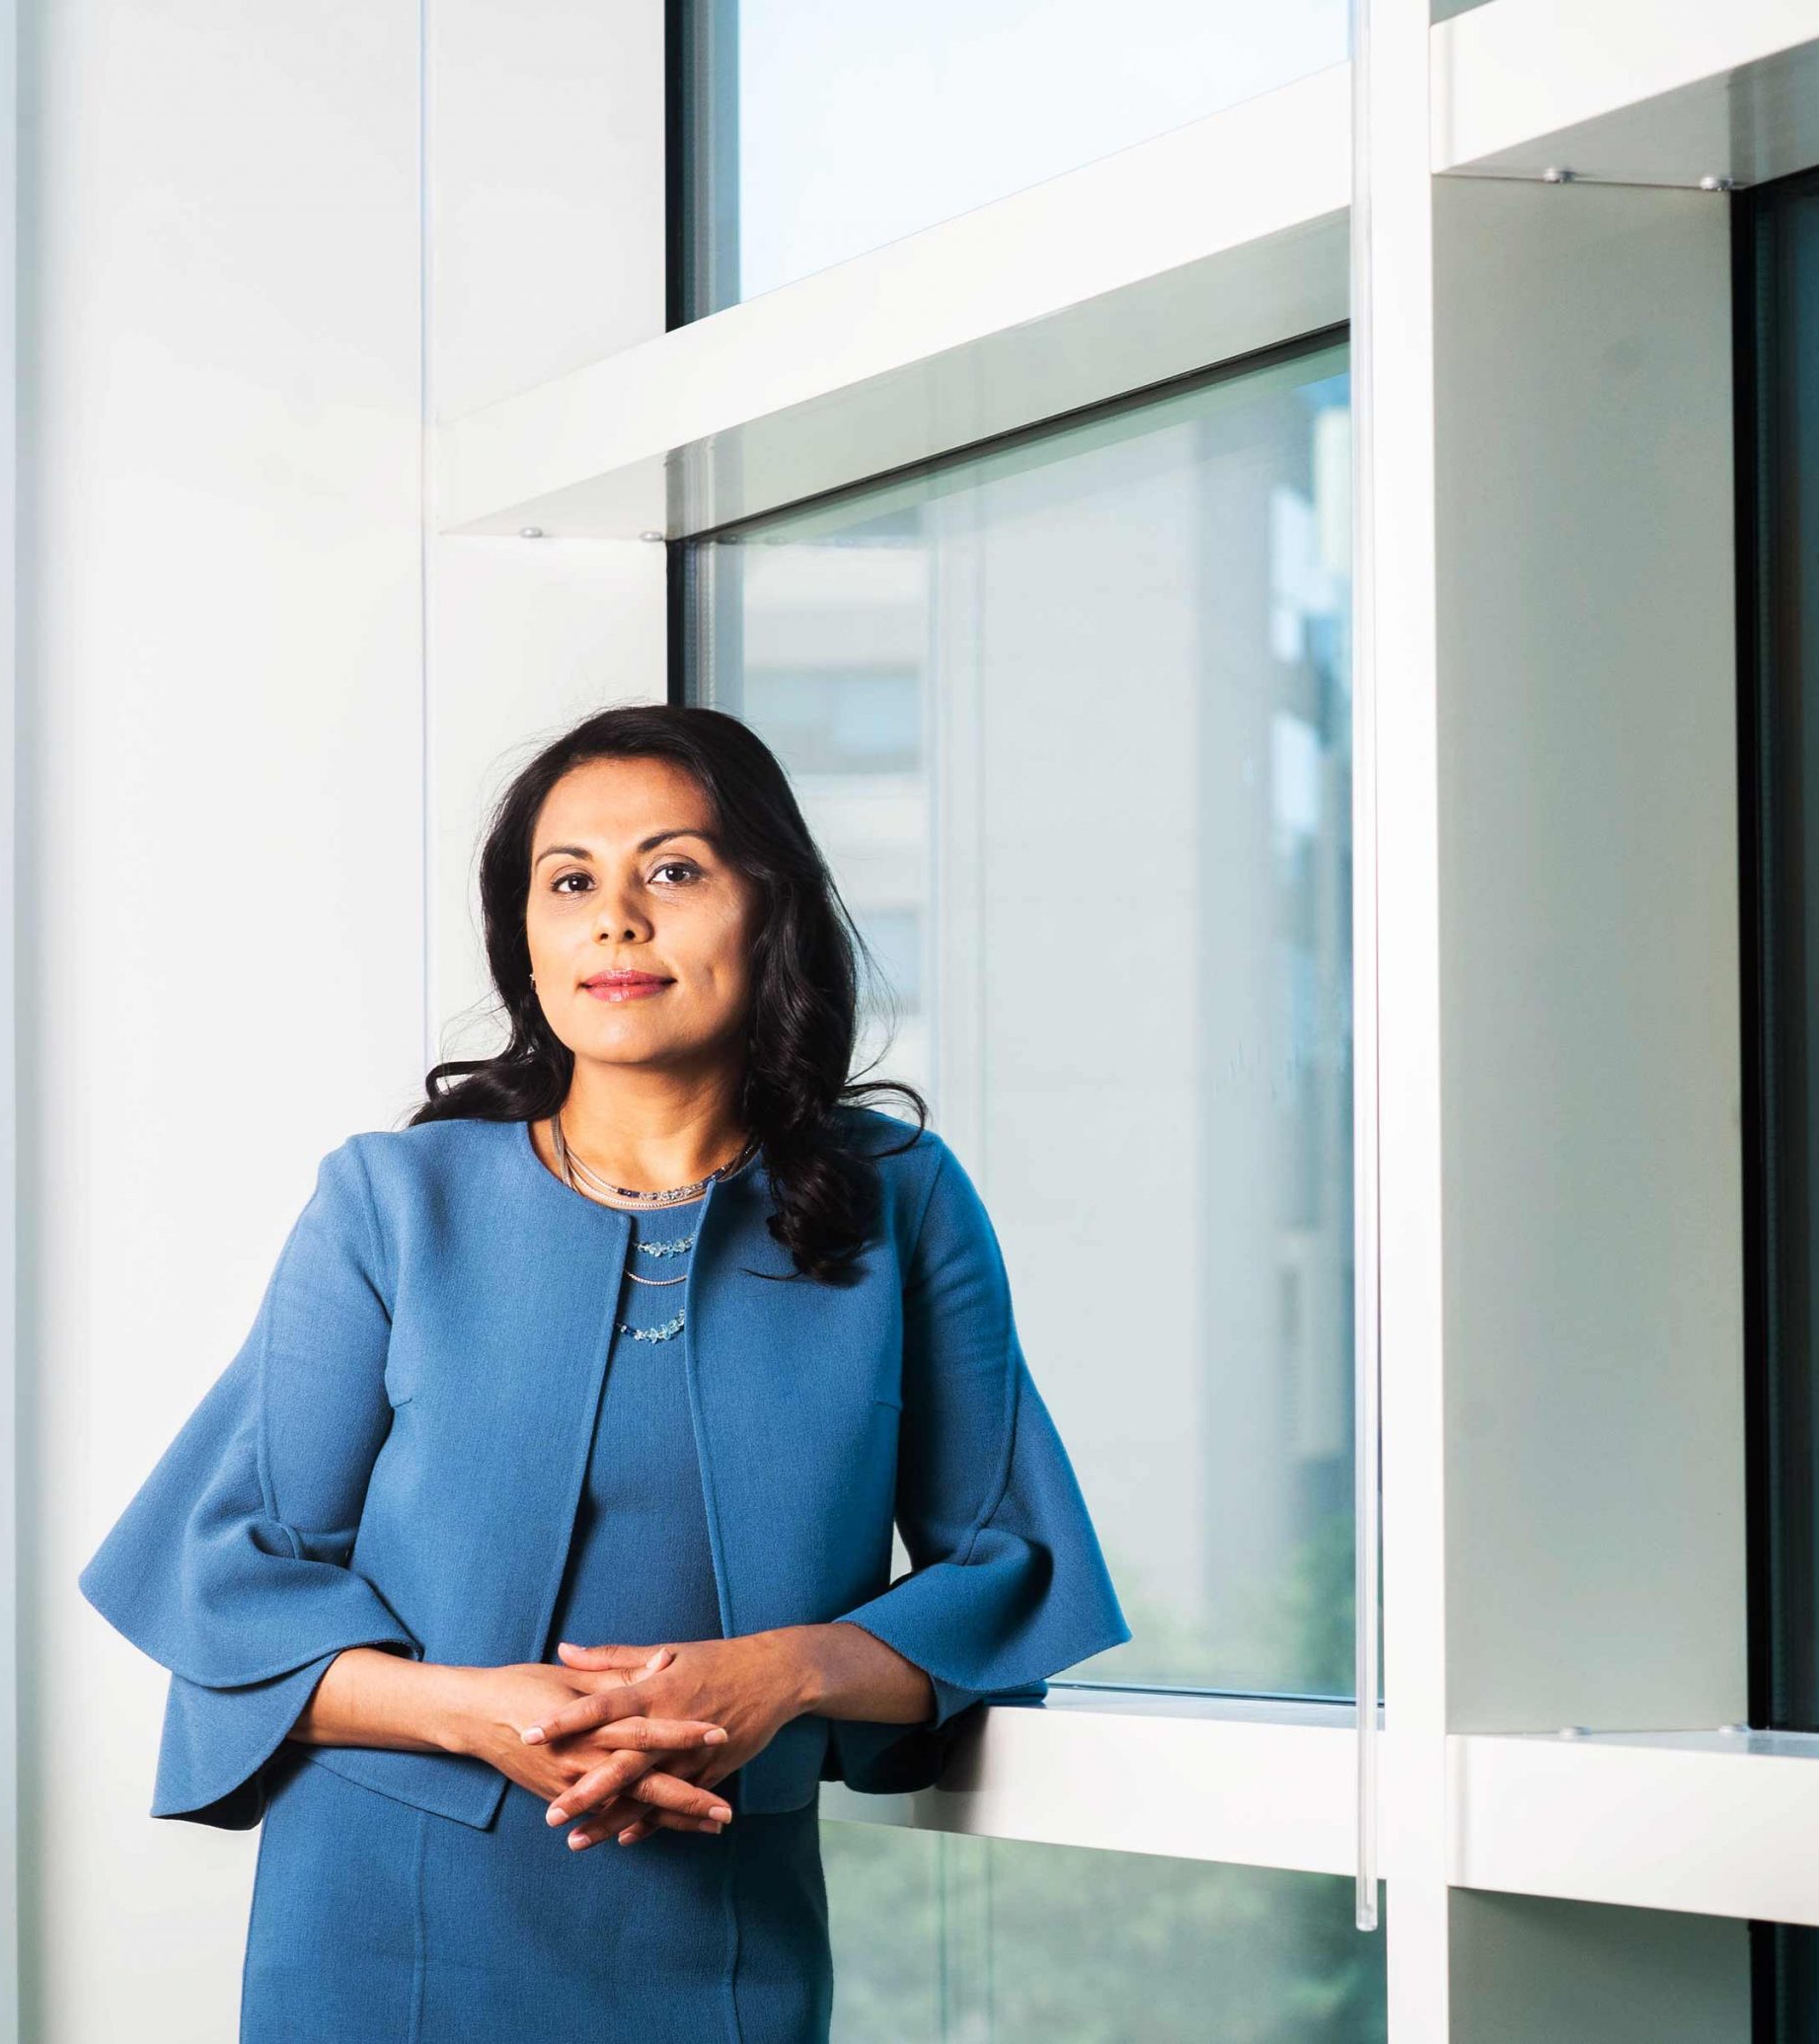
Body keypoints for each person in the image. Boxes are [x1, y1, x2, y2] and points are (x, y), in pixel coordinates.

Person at [79, 703, 1130, 2040]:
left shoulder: (900, 1203)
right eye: (568, 880)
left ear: (773, 908)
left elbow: (1012, 1571)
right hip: (380, 1934)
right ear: (525, 934)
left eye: (674, 870)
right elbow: (228, 1582)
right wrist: (474, 1715)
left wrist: (787, 1673)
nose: (614, 919)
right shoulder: (391, 1203)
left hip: (722, 1945)